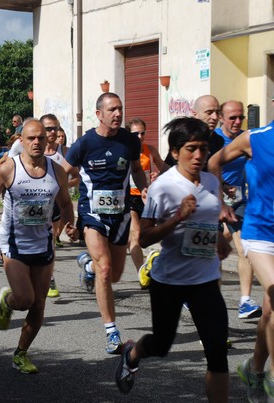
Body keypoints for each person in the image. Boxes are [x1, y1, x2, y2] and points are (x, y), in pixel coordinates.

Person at [116, 117, 231, 402]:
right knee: (162, 344)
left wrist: (219, 240)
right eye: (191, 149)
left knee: (217, 352)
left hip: (206, 280)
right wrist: (178, 218)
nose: (199, 155)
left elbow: (209, 223)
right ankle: (133, 353)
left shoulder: (210, 181)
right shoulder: (163, 187)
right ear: (176, 152)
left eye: (203, 149)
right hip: (169, 280)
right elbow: (143, 238)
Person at [0, 119, 77, 373]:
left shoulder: (57, 172)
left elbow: (66, 204)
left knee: (39, 304)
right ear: (21, 140)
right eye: (31, 138)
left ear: (48, 141)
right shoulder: (9, 169)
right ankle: (8, 301)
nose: (37, 142)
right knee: (24, 298)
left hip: (43, 244)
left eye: (41, 138)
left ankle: (21, 353)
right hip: (14, 244)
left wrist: (67, 226)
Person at [65, 92, 148, 354]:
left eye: (120, 109)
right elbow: (63, 172)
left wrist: (144, 188)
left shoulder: (129, 140)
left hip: (121, 215)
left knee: (113, 275)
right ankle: (111, 331)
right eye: (112, 109)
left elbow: (135, 169)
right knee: (105, 270)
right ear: (99, 114)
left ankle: (87, 264)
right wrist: (62, 207)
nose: (118, 114)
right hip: (93, 215)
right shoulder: (85, 143)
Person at [208, 101, 274, 398]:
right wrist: (220, 202)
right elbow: (213, 162)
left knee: (270, 311)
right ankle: (273, 379)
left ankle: (255, 370)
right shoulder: (255, 138)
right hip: (259, 232)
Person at [213, 100, 261, 319]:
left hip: (239, 201)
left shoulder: (246, 138)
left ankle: (245, 301)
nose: (236, 121)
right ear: (221, 117)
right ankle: (204, 294)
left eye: (240, 117)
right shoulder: (214, 140)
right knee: (213, 249)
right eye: (232, 117)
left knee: (243, 248)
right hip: (213, 200)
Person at [40, 114, 79, 298]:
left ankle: (50, 277)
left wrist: (63, 185)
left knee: (51, 241)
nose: (53, 132)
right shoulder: (32, 150)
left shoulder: (66, 152)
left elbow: (78, 177)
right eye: (49, 128)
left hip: (56, 203)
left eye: (56, 128)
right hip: (35, 204)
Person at [124, 118, 168, 276]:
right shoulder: (123, 151)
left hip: (146, 197)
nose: (140, 136)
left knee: (157, 232)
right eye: (136, 133)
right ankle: (141, 273)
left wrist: (158, 175)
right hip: (129, 197)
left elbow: (165, 168)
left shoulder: (149, 150)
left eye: (142, 133)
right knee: (136, 232)